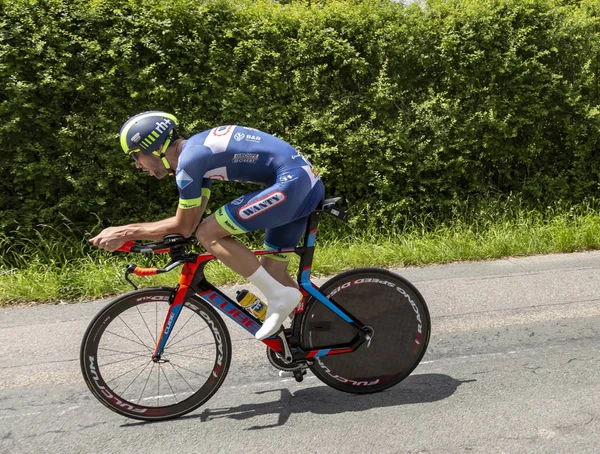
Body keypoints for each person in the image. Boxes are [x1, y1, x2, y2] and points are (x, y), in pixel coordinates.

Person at [90, 111, 324, 340]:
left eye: (135, 155)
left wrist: (125, 231)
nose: (137, 165)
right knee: (272, 272)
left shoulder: (190, 161)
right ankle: (320, 332)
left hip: (292, 183)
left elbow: (185, 226)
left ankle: (278, 296)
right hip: (302, 182)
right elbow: (188, 223)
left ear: (154, 147)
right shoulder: (195, 154)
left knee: (208, 232)